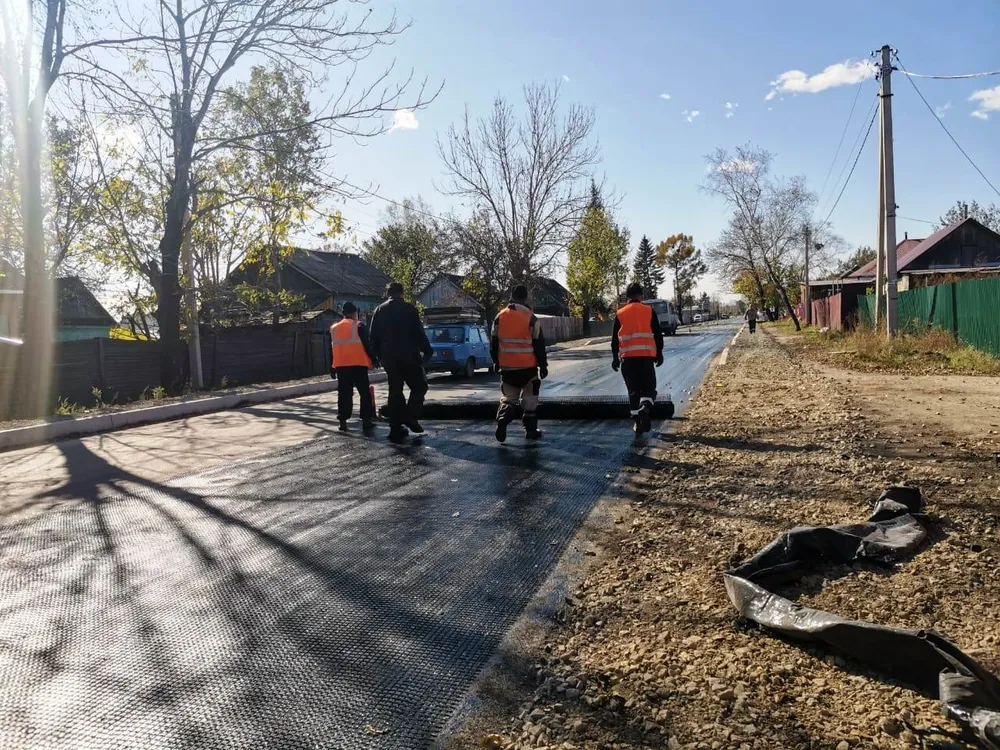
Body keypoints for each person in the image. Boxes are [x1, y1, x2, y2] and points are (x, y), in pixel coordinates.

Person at [369, 281, 433, 443]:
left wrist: (377, 356)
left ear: (388, 294)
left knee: (395, 391)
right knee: (419, 386)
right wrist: (427, 350)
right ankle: (410, 416)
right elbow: (418, 332)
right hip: (409, 355)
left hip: (389, 358)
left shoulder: (379, 310)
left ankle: (395, 428)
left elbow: (373, 337)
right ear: (402, 293)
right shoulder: (409, 309)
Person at [490, 284, 548, 443]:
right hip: (528, 368)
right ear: (525, 297)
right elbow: (539, 344)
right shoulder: (531, 318)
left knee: (508, 398)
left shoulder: (499, 317)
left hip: (507, 368)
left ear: (511, 297)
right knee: (530, 399)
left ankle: (502, 419)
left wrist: (496, 361)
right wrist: (543, 365)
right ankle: (531, 431)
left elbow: (494, 342)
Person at [611, 283, 664, 434]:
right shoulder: (649, 311)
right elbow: (658, 334)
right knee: (649, 389)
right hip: (646, 358)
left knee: (633, 391)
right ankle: (645, 408)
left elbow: (614, 338)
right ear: (641, 296)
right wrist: (659, 353)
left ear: (627, 297)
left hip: (627, 359)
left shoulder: (620, 313)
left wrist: (615, 357)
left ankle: (637, 423)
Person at [330, 302, 376, 432]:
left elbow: (331, 349)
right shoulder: (359, 326)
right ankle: (366, 421)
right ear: (354, 313)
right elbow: (367, 345)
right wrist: (374, 359)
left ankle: (343, 422)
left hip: (341, 366)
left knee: (344, 394)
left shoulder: (334, 328)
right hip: (358, 365)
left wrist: (331, 367)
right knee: (364, 394)